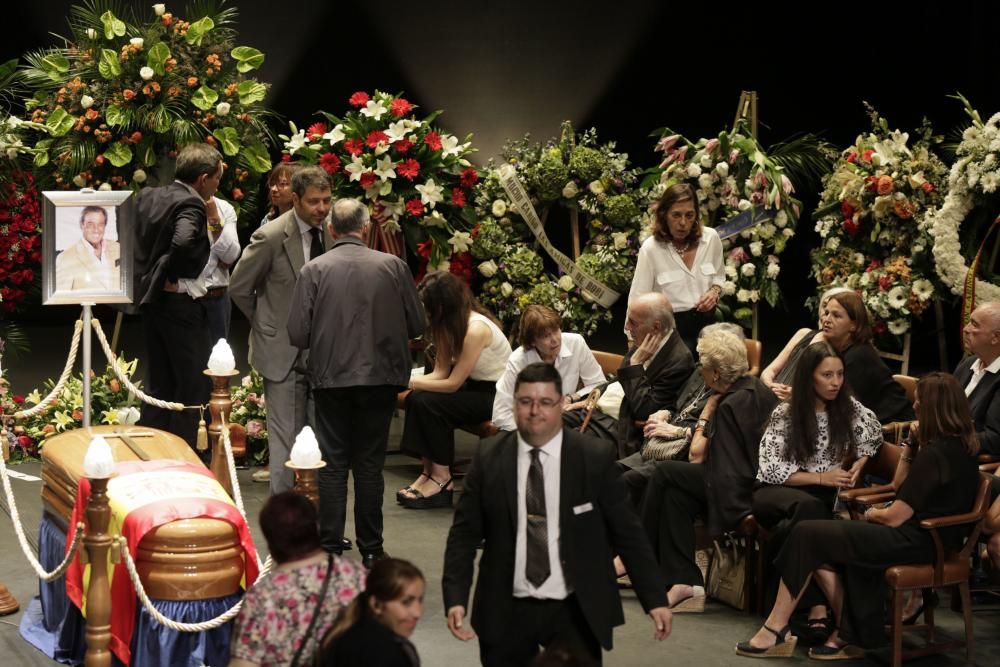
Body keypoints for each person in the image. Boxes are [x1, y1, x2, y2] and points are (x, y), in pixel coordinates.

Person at [736, 372, 981, 658]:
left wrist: (871, 514)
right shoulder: (961, 447)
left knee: (806, 532)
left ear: (934, 408)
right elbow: (899, 485)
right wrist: (910, 446)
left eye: (920, 402)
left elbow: (895, 517)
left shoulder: (936, 455)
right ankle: (844, 628)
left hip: (915, 541)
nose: (914, 407)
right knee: (811, 536)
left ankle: (778, 629)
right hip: (927, 538)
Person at [442, 363, 672, 665]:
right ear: (514, 405)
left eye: (545, 402)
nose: (535, 411)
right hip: (506, 606)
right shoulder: (489, 458)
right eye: (526, 402)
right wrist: (455, 596)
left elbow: (627, 532)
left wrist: (654, 598)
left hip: (575, 607)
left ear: (562, 404)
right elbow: (463, 535)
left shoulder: (594, 458)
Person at [288, 199, 424, 565]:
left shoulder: (314, 270)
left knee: (332, 463)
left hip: (331, 377)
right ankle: (372, 549)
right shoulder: (394, 266)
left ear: (331, 229)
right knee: (369, 464)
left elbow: (297, 333)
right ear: (365, 229)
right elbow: (418, 325)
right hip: (381, 377)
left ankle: (330, 544)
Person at [627, 329, 777, 611]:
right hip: (743, 478)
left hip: (738, 488)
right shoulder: (755, 388)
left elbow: (697, 456)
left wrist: (707, 411)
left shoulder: (728, 402)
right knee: (675, 495)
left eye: (703, 367)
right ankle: (685, 582)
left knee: (665, 473)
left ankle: (633, 556)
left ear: (717, 374)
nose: (701, 372)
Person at [752, 341, 882, 640]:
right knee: (810, 513)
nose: (835, 382)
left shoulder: (849, 410)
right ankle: (826, 608)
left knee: (801, 526)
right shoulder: (786, 413)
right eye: (827, 375)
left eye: (839, 374)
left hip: (818, 501)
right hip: (775, 493)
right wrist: (822, 478)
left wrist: (859, 463)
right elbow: (771, 470)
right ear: (809, 376)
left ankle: (803, 609)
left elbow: (874, 437)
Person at [230, 166, 333, 495]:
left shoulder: (332, 233)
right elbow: (240, 287)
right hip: (282, 351)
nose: (321, 208)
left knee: (324, 441)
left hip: (323, 351)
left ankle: (322, 524)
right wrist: (266, 323)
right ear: (297, 200)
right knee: (285, 441)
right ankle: (286, 524)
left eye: (326, 201)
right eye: (314, 202)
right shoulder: (271, 236)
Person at [398, 271, 511, 509]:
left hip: (497, 395)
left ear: (442, 305)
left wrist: (404, 381)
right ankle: (428, 473)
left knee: (429, 402)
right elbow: (439, 373)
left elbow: (452, 384)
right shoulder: (446, 326)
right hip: (473, 388)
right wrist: (410, 382)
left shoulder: (475, 329)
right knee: (418, 399)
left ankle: (442, 478)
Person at [133, 143, 221, 449]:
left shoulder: (149, 195)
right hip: (180, 305)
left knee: (160, 382)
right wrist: (168, 273)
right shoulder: (192, 203)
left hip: (152, 303)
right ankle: (189, 455)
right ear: (203, 178)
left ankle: (153, 451)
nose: (217, 186)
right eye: (217, 179)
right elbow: (183, 241)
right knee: (193, 383)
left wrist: (149, 276)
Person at [229, 492, 366, 667]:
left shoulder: (263, 596)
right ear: (315, 527)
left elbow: (245, 663)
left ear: (271, 542)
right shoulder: (357, 575)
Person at [618, 322, 743, 506]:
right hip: (658, 445)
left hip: (680, 455)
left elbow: (715, 436)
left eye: (704, 355)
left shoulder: (733, 391)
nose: (699, 362)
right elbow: (678, 403)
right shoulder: (701, 372)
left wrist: (674, 430)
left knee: (623, 482)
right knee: (610, 470)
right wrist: (665, 413)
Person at [629, 183, 724, 352]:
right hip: (670, 333)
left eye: (689, 215)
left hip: (707, 327)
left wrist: (714, 293)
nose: (683, 223)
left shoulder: (711, 239)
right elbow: (637, 299)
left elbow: (718, 278)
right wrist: (633, 344)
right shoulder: (651, 249)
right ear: (664, 215)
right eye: (676, 215)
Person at [492, 305, 605, 433]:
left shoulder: (576, 343)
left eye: (556, 330)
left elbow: (599, 384)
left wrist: (572, 398)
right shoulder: (518, 361)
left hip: (566, 421)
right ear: (532, 341)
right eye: (546, 336)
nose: (555, 340)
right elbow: (501, 414)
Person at [616, 292, 695, 459]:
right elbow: (622, 376)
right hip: (618, 409)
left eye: (633, 323)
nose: (627, 328)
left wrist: (637, 363)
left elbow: (645, 411)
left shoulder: (679, 360)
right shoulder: (647, 337)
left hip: (631, 429)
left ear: (656, 326)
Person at [820, 290, 913, 423]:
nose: (827, 320)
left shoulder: (859, 356)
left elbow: (839, 407)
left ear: (854, 325)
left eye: (836, 315)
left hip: (894, 428)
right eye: (826, 313)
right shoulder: (838, 350)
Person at [320, 558, 425, 667]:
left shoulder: (347, 634)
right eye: (406, 602)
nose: (418, 612)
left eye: (420, 600)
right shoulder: (382, 653)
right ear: (376, 604)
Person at [760, 286, 853, 401]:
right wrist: (771, 386)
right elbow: (770, 370)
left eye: (835, 313)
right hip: (771, 393)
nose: (826, 315)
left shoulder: (838, 349)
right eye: (825, 308)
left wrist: (795, 396)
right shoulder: (804, 334)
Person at [186, 194, 240, 344]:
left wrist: (214, 217)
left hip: (217, 297)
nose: (217, 183)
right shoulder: (177, 203)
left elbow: (229, 256)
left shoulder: (224, 208)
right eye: (215, 178)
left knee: (218, 362)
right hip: (186, 298)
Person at [954, 302, 1000, 456]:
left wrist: (948, 441)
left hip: (967, 461)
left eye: (974, 324)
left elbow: (995, 438)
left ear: (996, 338)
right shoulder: (968, 363)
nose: (966, 329)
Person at [55, 205, 121, 292]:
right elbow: (61, 299)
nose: (96, 229)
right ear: (82, 225)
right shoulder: (65, 258)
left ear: (105, 226)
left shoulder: (118, 248)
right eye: (90, 224)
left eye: (100, 224)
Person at [259, 162, 300, 227]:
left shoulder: (304, 223)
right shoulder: (267, 219)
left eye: (282, 184)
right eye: (272, 183)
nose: (273, 189)